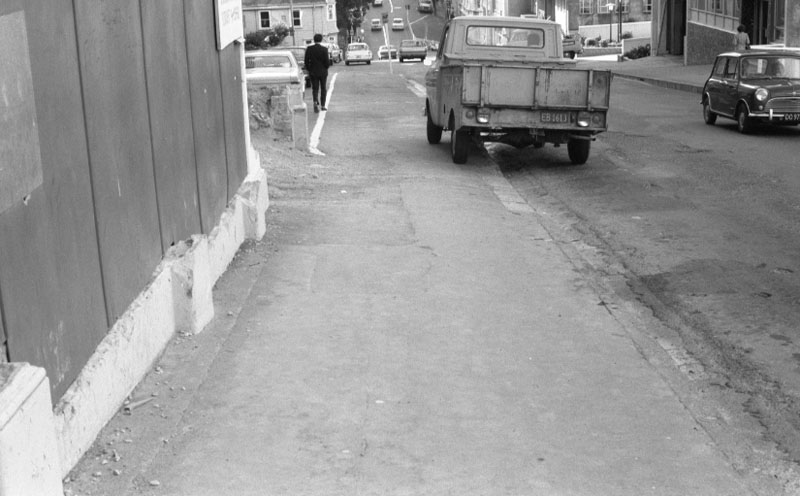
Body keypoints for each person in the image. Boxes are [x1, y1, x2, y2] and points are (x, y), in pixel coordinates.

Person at [304, 34, 331, 113]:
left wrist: (309, 69)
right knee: (323, 88)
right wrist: (325, 67)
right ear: (321, 39)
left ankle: (315, 101)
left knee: (315, 88)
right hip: (323, 72)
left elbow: (306, 61)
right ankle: (323, 105)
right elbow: (327, 62)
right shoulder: (324, 49)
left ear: (314, 40)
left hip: (313, 71)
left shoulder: (309, 49)